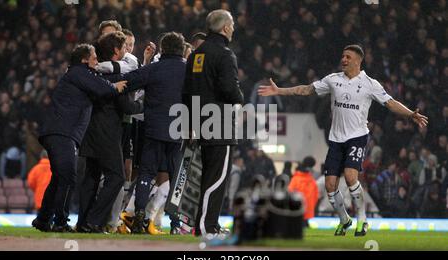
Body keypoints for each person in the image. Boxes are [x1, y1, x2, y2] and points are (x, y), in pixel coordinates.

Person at [258, 44, 428, 236]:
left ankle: (362, 220)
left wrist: (410, 115)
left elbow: (390, 103)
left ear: (358, 60)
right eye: (343, 56)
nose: (343, 60)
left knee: (350, 177)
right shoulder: (332, 80)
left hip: (357, 137)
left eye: (348, 57)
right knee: (330, 184)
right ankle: (344, 219)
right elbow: (306, 90)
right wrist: (279, 91)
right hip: (336, 139)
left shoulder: (370, 84)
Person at [31, 44, 127, 233]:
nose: (97, 61)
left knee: (59, 178)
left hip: (58, 132)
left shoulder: (76, 74)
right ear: (84, 60)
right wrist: (115, 87)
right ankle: (60, 221)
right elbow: (102, 89)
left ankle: (43, 220)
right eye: (94, 58)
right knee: (68, 176)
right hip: (62, 133)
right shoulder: (79, 72)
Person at [183, 9, 244, 237]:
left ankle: (209, 224)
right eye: (233, 25)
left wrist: (189, 122)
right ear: (226, 28)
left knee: (208, 175)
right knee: (217, 178)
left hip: (200, 121)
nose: (234, 29)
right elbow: (229, 89)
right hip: (219, 122)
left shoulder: (196, 55)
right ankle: (206, 227)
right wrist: (240, 97)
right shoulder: (224, 54)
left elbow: (187, 92)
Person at [76, 32, 144, 233]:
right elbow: (128, 107)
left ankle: (83, 222)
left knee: (91, 177)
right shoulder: (116, 76)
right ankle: (94, 221)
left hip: (90, 130)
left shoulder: (95, 73)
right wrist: (144, 103)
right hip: (107, 133)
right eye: (124, 48)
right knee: (116, 176)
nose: (126, 51)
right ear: (116, 51)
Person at [123, 32, 187, 234]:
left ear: (163, 49)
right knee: (173, 177)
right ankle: (166, 219)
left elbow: (128, 82)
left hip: (153, 130)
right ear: (182, 49)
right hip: (178, 132)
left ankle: (139, 213)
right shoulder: (190, 71)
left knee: (147, 173)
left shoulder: (154, 69)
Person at [288, 156, 319, 225]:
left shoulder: (295, 180)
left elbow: (290, 193)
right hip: (308, 209)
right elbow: (316, 196)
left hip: (297, 210)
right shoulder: (312, 181)